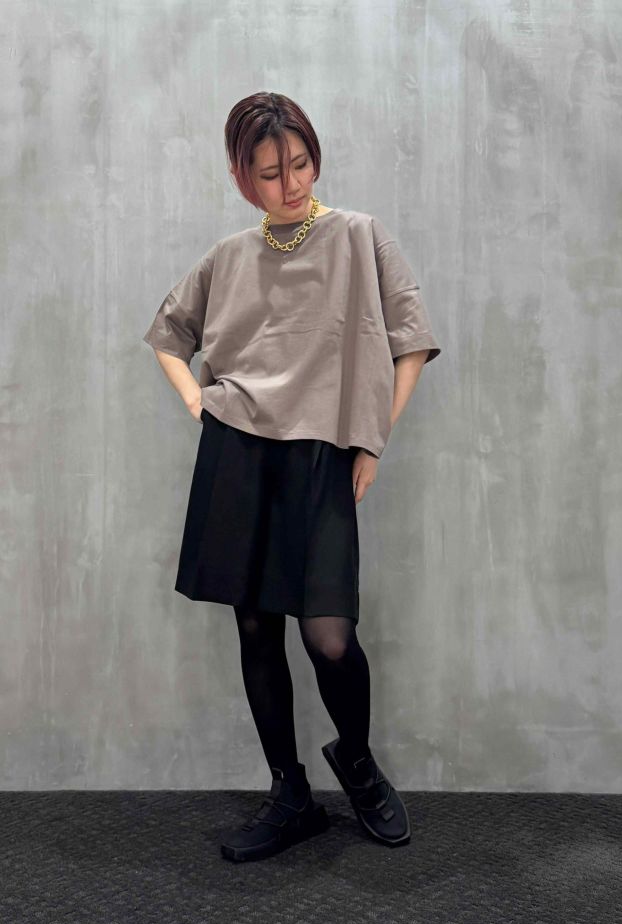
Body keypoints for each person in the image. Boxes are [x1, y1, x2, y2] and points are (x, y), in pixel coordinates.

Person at [143, 92, 441, 863]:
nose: (292, 184)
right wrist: (198, 403)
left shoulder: (359, 237)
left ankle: (359, 763)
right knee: (255, 626)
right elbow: (169, 334)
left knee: (329, 636)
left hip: (322, 454)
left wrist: (371, 443)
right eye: (271, 173)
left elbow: (411, 341)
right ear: (242, 178)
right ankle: (290, 793)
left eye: (301, 163)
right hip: (239, 450)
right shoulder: (230, 256)